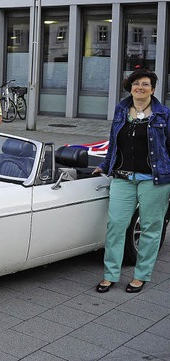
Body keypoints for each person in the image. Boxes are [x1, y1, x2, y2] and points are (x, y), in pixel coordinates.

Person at [94, 67, 170, 294]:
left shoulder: (163, 114)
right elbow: (113, 143)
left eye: (145, 84)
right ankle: (110, 274)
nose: (140, 87)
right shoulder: (121, 110)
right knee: (116, 225)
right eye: (137, 84)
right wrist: (105, 166)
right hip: (123, 178)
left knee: (150, 227)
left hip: (154, 181)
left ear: (153, 89)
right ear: (131, 88)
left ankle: (141, 275)